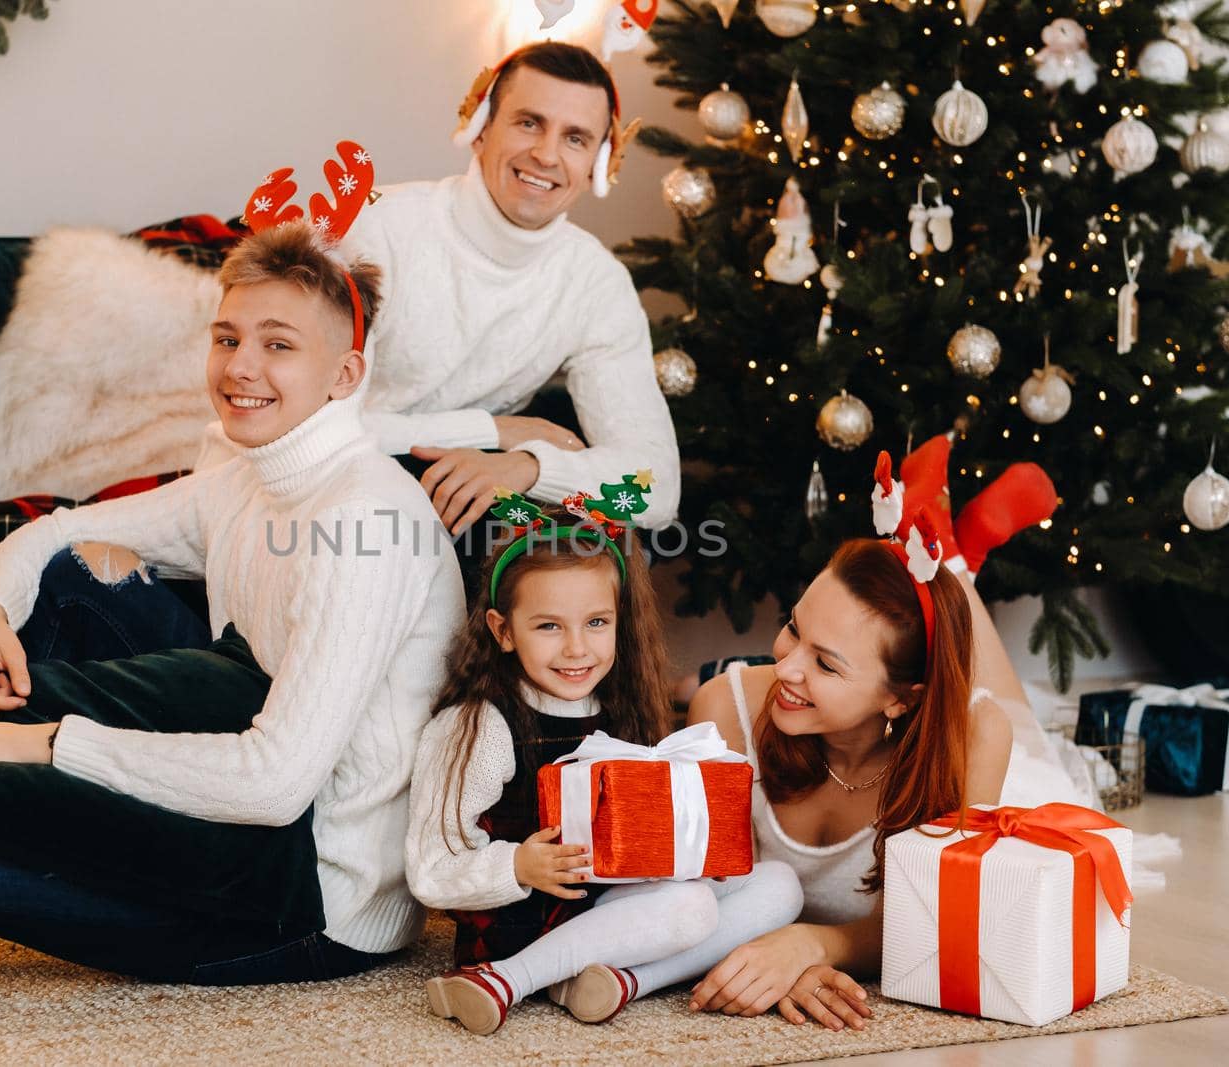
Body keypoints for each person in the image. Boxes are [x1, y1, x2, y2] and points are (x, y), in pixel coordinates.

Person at [0, 217, 467, 986]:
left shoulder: (364, 520)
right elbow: (56, 530)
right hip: (246, 792)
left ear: (345, 375)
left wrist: (51, 743)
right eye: (227, 338)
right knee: (79, 572)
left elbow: (274, 783)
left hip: (306, 895)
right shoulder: (247, 470)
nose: (241, 366)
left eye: (278, 344)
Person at [196, 41, 681, 541]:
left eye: (575, 138)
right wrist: (494, 432)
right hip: (312, 479)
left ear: (599, 164)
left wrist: (528, 467)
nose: (546, 154)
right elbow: (300, 427)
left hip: (460, 480)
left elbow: (656, 488)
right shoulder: (379, 232)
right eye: (528, 123)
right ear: (481, 128)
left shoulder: (596, 283)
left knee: (597, 546)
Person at [667, 456, 1046, 1029]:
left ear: (901, 699)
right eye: (794, 627)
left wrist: (816, 947)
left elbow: (941, 920)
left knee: (1017, 717)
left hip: (989, 753)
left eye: (826, 663)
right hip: (830, 707)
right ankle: (939, 546)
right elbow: (712, 897)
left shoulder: (972, 739)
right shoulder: (725, 710)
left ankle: (957, 555)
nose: (788, 665)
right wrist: (787, 952)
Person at [406, 494, 802, 1035]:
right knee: (691, 909)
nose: (576, 648)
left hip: (615, 910)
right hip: (525, 924)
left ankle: (619, 981)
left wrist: (684, 845)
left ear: (620, 620)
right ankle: (506, 979)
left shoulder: (622, 708)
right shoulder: (481, 725)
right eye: (548, 626)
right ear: (502, 630)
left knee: (780, 885)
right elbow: (430, 867)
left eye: (596, 622)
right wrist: (518, 866)